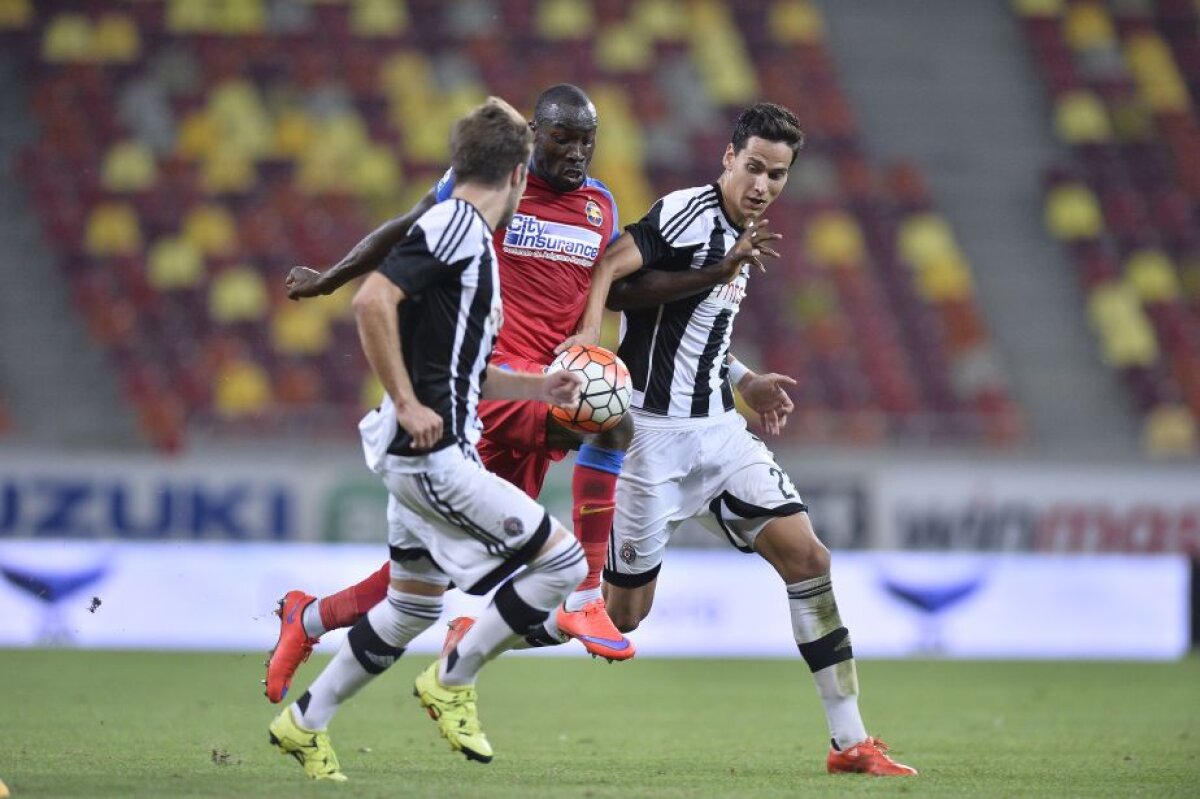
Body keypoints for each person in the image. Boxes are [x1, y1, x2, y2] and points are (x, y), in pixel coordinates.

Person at [265, 84, 636, 705]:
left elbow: (603, 277)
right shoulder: (492, 192)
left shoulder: (600, 206)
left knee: (426, 579)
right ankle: (587, 595)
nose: (575, 153)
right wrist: (331, 278)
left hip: (538, 384)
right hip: (492, 381)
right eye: (561, 139)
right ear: (532, 142)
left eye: (585, 142)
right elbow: (407, 229)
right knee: (611, 422)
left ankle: (306, 619)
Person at [590, 102, 918, 777]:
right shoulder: (686, 212)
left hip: (719, 432)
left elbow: (697, 328)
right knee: (622, 617)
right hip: (654, 439)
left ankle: (849, 741)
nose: (764, 184)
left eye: (778, 174)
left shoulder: (745, 233)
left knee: (809, 558)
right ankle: (501, 620)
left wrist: (744, 380)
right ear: (728, 158)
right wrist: (708, 275)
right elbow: (615, 281)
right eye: (754, 167)